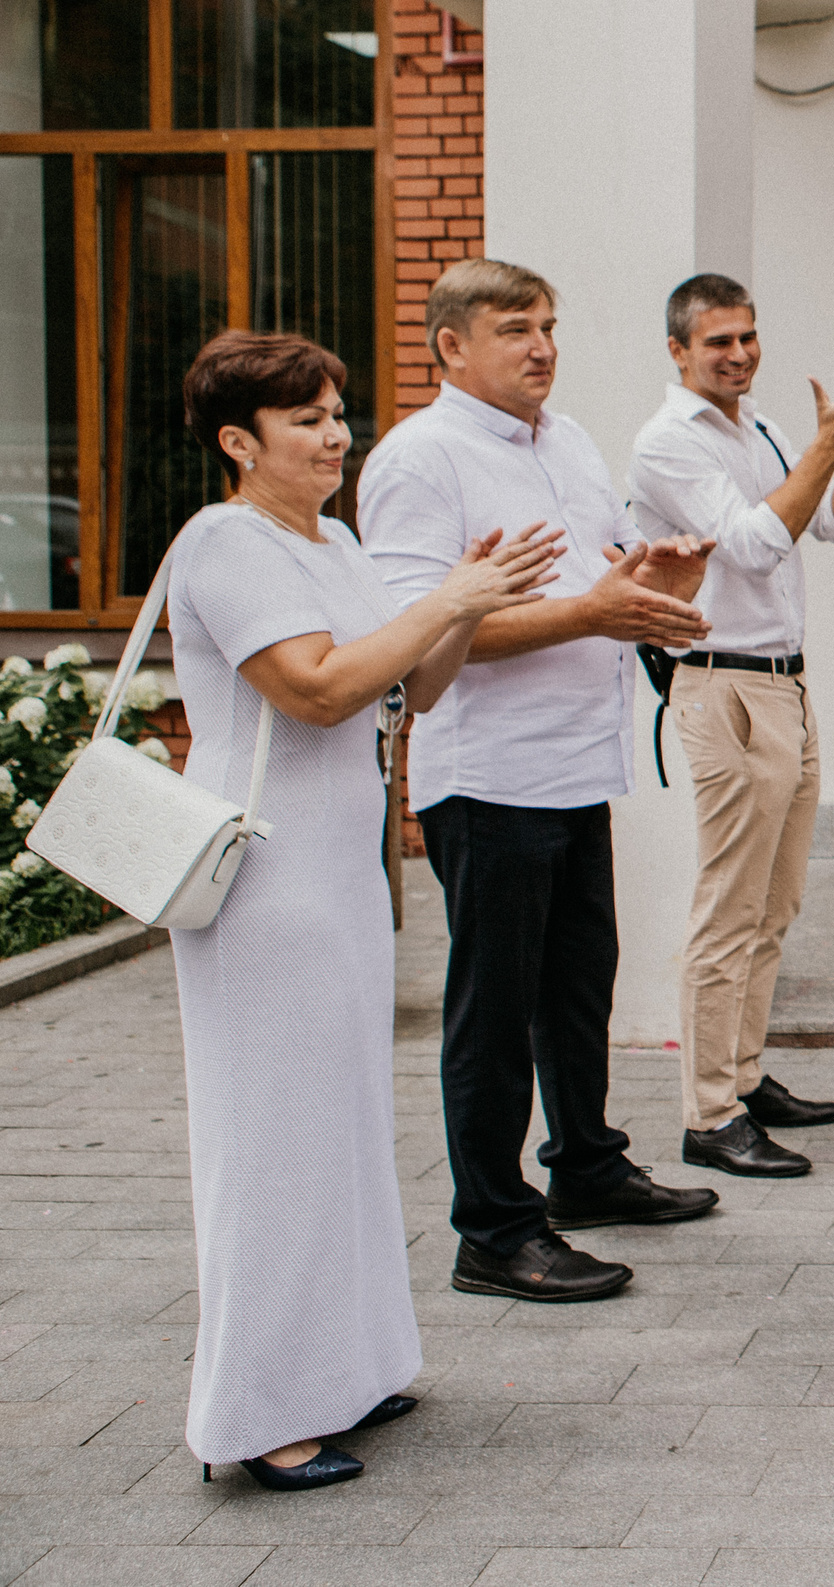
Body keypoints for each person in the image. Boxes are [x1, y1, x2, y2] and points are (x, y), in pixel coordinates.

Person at [168, 331, 560, 1487]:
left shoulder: (333, 539)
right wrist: (447, 596)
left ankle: (348, 1368)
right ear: (241, 442)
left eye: (339, 413)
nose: (336, 435)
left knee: (338, 1135)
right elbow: (318, 691)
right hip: (262, 889)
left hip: (341, 876)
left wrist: (463, 611)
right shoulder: (223, 543)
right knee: (271, 1144)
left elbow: (408, 687)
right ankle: (257, 1416)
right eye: (307, 420)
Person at [359, 259, 724, 1306]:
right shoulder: (418, 462)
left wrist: (655, 583)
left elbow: (591, 583)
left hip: (577, 762)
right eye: (515, 328)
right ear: (450, 347)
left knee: (578, 987)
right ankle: (494, 1227)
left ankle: (587, 1167)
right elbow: (415, 634)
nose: (541, 346)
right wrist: (591, 614)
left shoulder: (564, 443)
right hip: (489, 776)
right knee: (494, 1009)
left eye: (550, 325)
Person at [628, 274, 834, 1178]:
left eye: (747, 337)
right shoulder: (668, 444)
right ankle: (709, 1113)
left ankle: (743, 1073)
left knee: (775, 904)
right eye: (717, 343)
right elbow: (749, 542)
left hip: (786, 686)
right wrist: (827, 442)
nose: (738, 354)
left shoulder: (764, 429)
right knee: (727, 909)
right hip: (723, 687)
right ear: (677, 351)